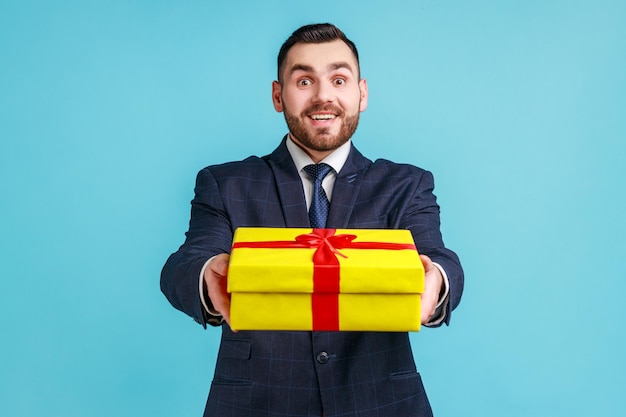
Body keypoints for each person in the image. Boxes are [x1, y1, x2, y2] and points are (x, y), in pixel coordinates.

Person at [161, 23, 463, 417]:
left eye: (339, 79)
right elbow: (184, 264)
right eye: (304, 80)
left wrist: (435, 281)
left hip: (380, 403)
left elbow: (440, 259)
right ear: (277, 95)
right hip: (257, 405)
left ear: (362, 93)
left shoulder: (406, 184)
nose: (324, 96)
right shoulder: (226, 183)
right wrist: (207, 274)